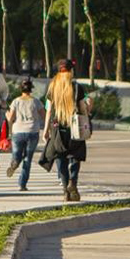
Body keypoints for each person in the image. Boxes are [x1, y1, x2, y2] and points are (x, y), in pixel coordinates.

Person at [40, 59, 93, 201]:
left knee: (60, 157)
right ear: (71, 71)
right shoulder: (76, 87)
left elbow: (49, 110)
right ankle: (72, 182)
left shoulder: (53, 87)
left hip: (57, 128)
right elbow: (82, 108)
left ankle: (65, 190)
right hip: (75, 128)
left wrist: (45, 130)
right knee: (75, 155)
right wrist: (87, 115)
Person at [5, 78, 45, 191]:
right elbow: (44, 116)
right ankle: (22, 184)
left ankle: (15, 162)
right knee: (28, 158)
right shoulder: (36, 102)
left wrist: (7, 117)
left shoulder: (16, 101)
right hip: (32, 131)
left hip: (18, 131)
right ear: (31, 89)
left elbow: (11, 118)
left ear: (21, 89)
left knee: (17, 154)